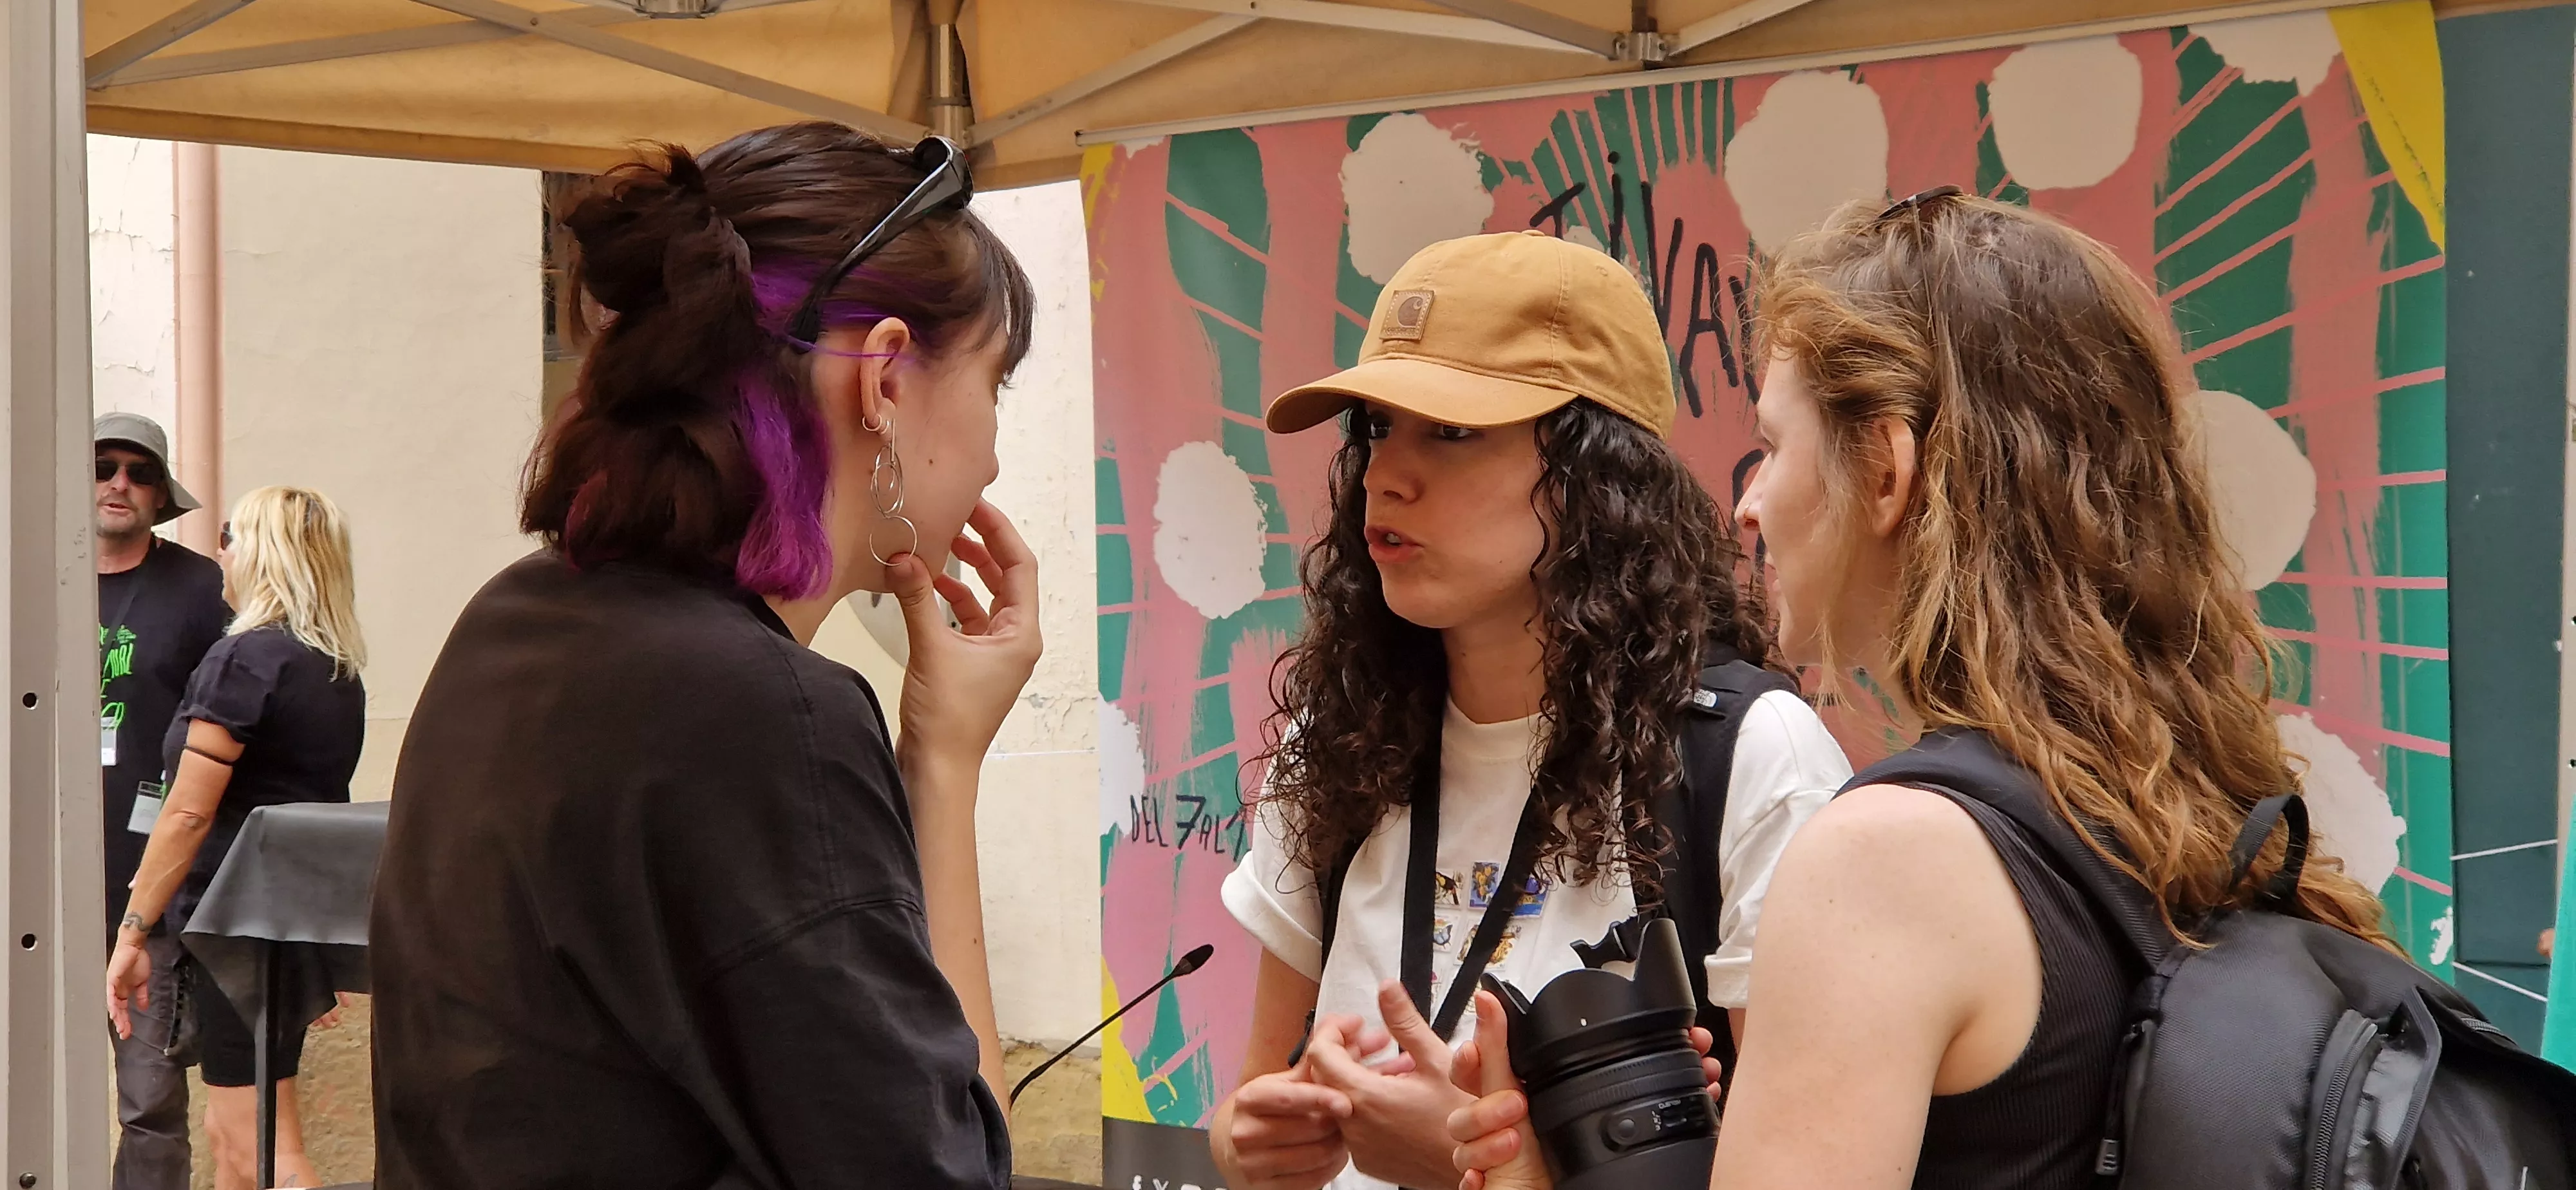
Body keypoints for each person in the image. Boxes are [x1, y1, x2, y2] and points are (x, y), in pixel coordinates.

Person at [1446, 190, 2395, 1189]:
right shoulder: (2178, 800)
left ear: (1886, 467)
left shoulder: (1886, 860)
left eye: (1771, 447)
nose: (1748, 502)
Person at [367, 122, 1037, 1189]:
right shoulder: (764, 711)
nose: (997, 449)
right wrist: (943, 772)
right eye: (995, 384)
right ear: (888, 382)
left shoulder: (515, 621)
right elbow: (938, 1166)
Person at [1211, 231, 1850, 1190]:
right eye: (1376, 427)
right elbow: (1252, 1098)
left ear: (1599, 476)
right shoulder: (1339, 739)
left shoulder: (1750, 758)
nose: (1387, 475)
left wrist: (1485, 1165)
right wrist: (1254, 1139)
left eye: (1454, 431)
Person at [104, 484, 368, 1190]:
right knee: (238, 1142)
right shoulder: (333, 669)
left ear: (262, 550)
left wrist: (133, 934)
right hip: (280, 922)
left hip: (232, 924)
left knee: (260, 1150)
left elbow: (188, 814)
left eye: (231, 533)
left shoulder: (245, 660)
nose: (220, 548)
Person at [91, 411, 229, 1190]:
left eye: (140, 472)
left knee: (148, 1102)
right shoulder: (29, 578)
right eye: (105, 465)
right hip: (33, 893)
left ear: (159, 494)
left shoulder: (201, 590)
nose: (120, 483)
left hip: (150, 893)